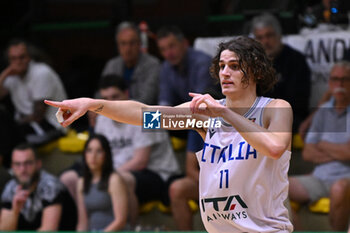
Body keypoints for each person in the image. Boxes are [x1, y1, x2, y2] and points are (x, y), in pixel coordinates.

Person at [45, 36, 294, 232]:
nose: (225, 73)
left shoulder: (275, 109)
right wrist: (92, 104)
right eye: (221, 66)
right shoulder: (204, 115)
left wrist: (224, 114)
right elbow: (146, 115)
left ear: (258, 72)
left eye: (235, 66)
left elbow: (273, 147)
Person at [61, 74, 181, 225]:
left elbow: (140, 161)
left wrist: (106, 176)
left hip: (158, 174)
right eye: (106, 98)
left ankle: (130, 228)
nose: (110, 102)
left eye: (115, 96)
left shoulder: (144, 113)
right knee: (70, 179)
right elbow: (99, 150)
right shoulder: (103, 118)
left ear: (127, 94)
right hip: (114, 170)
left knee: (120, 180)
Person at [289, 61, 350, 231]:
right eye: (336, 80)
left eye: (345, 80)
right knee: (275, 186)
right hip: (319, 177)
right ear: (329, 84)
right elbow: (308, 153)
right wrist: (339, 151)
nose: (340, 85)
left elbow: (348, 153)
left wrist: (322, 145)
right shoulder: (323, 110)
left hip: (346, 178)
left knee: (339, 188)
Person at [251, 13, 311, 132]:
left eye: (269, 35)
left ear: (279, 36)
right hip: (255, 118)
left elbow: (298, 101)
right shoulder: (251, 62)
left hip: (289, 119)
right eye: (260, 37)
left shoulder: (296, 60)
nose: (265, 41)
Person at [0, 39, 67, 145]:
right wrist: (5, 73)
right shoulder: (11, 76)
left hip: (54, 126)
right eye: (13, 59)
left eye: (22, 57)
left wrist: (12, 125)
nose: (18, 62)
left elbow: (38, 116)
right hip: (29, 125)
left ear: (29, 57)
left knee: (8, 134)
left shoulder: (41, 72)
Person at [0, 144, 76, 231]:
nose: (22, 169)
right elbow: (4, 230)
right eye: (17, 164)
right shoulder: (10, 188)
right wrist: (15, 212)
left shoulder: (50, 185)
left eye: (28, 163)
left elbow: (48, 230)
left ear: (38, 164)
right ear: (12, 167)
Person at [76, 134, 128, 232]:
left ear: (106, 155)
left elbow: (120, 220)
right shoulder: (81, 182)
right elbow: (82, 222)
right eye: (89, 150)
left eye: (99, 151)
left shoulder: (114, 180)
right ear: (84, 154)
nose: (93, 156)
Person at [102, 21, 160, 105]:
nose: (128, 49)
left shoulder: (152, 64)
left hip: (144, 114)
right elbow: (100, 94)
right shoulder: (112, 65)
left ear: (139, 44)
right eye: (123, 43)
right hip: (113, 112)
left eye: (132, 43)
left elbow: (147, 100)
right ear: (118, 45)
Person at [169, 151, 199, 230]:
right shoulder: (198, 138)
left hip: (231, 184)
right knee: (177, 189)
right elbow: (191, 170)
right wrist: (213, 183)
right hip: (207, 182)